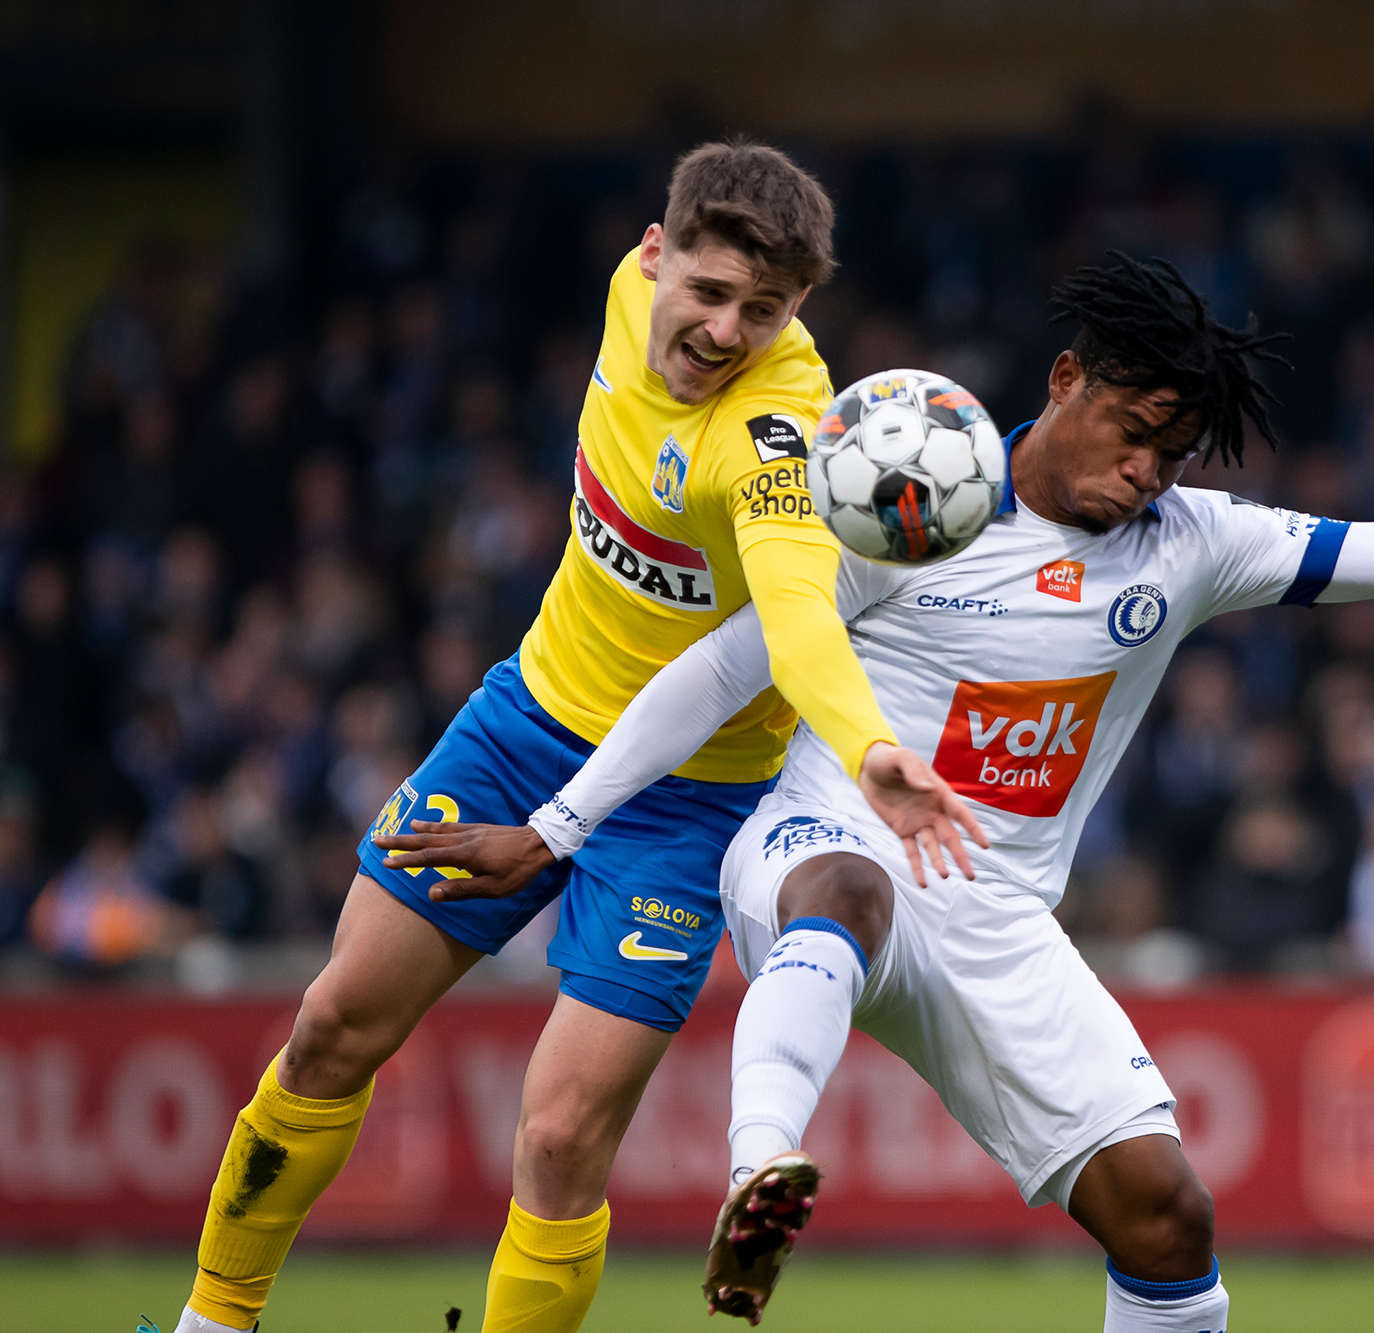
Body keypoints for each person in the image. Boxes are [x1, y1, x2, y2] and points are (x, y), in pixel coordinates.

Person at [389, 253, 1374, 1332]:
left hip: (995, 910)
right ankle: (765, 1167)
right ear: (1066, 381)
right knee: (846, 885)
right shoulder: (905, 504)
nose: (1148, 470)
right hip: (825, 834)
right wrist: (563, 829)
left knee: (1167, 1217)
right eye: (1132, 430)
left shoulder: (1191, 546)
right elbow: (722, 670)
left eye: (1174, 452)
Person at [165, 140, 980, 1333]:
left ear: (800, 310)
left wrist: (865, 747)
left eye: (764, 313)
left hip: (686, 800)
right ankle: (210, 1321)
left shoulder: (775, 446)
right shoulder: (621, 293)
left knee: (557, 1134)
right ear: (654, 258)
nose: (721, 332)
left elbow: (799, 614)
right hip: (521, 723)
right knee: (333, 1024)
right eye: (705, 294)